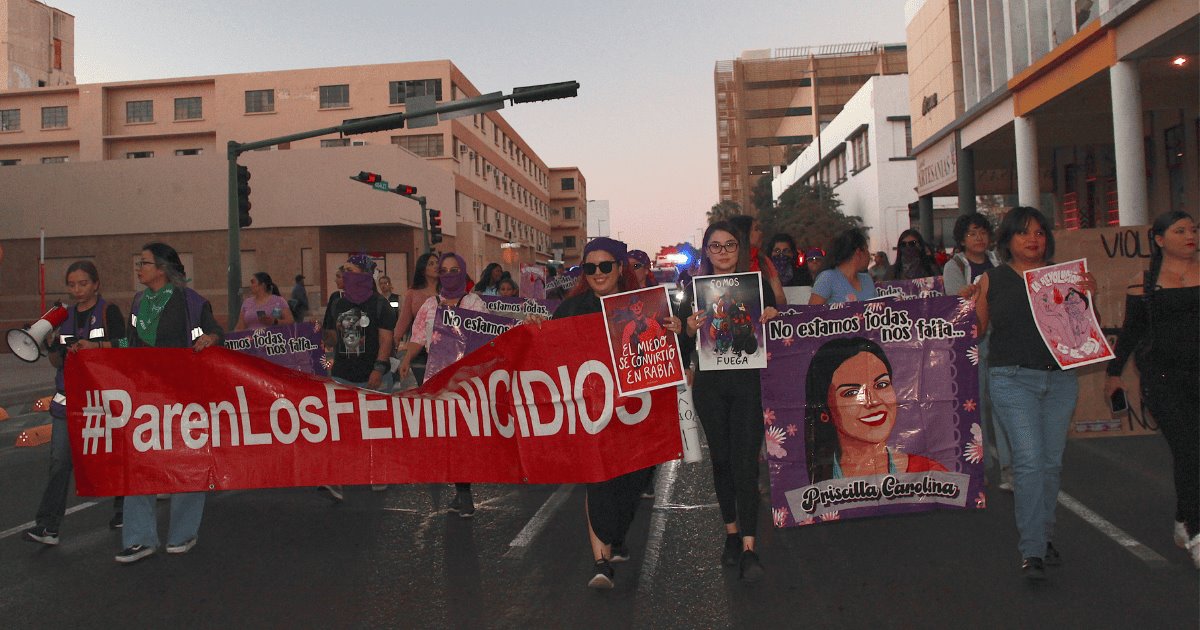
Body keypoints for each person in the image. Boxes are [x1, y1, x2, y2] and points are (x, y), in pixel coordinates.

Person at [527, 237, 677, 589]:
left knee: (631, 483)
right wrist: (537, 332)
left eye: (605, 266)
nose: (597, 273)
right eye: (589, 267)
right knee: (597, 480)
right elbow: (549, 356)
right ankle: (601, 562)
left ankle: (616, 537)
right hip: (591, 415)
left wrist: (675, 331)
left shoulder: (645, 306)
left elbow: (667, 358)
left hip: (635, 415)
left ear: (619, 268)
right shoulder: (571, 308)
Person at [974, 206, 1097, 581]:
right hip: (1012, 379)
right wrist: (969, 303)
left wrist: (1087, 298)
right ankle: (1032, 550)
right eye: (1024, 232)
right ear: (1008, 240)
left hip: (1060, 381)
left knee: (1050, 463)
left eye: (1040, 232)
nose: (1034, 240)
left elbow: (1083, 333)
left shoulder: (1065, 277)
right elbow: (977, 331)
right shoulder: (991, 279)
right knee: (1028, 462)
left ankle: (1043, 537)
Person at [678, 221, 779, 583]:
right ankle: (732, 534)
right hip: (710, 388)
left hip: (749, 385)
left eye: (730, 245)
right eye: (715, 246)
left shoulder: (758, 286)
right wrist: (688, 330)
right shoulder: (691, 291)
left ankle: (750, 547)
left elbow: (780, 333)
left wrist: (773, 317)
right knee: (721, 461)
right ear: (706, 251)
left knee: (745, 464)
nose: (722, 252)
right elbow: (683, 349)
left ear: (740, 250)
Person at [115, 242, 223, 564]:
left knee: (186, 464)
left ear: (161, 268)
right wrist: (97, 348)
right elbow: (130, 341)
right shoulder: (137, 304)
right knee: (139, 465)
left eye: (144, 263)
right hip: (145, 398)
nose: (139, 269)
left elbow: (214, 331)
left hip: (183, 397)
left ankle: (183, 533)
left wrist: (211, 339)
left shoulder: (190, 302)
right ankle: (139, 539)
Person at [1104, 211, 1198, 568]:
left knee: (1195, 453)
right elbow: (1131, 333)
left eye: (1193, 230)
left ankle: (1183, 518)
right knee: (1189, 449)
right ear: (1159, 239)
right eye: (1180, 230)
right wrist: (1113, 373)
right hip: (1162, 380)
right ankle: (1198, 532)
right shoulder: (1144, 282)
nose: (1190, 236)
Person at [23, 261, 126, 547]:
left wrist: (95, 348)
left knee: (113, 457)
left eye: (83, 283)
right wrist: (51, 346)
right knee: (59, 463)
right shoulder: (63, 317)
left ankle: (123, 510)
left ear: (96, 284)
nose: (77, 289)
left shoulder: (109, 312)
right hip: (68, 401)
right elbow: (57, 362)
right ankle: (48, 527)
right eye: (72, 284)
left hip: (102, 400)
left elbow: (125, 346)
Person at [398, 253, 489, 518]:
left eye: (454, 270)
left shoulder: (473, 303)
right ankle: (460, 491)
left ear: (462, 272)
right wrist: (406, 359)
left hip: (463, 380)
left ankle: (464, 493)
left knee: (460, 437)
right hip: (435, 378)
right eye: (444, 270)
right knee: (445, 437)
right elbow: (416, 337)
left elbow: (484, 335)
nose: (448, 274)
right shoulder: (429, 305)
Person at [805, 337, 948, 483]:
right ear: (824, 412)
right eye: (851, 393)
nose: (873, 401)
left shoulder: (930, 473)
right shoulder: (805, 481)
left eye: (881, 385)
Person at [321, 253, 398, 499]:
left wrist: (378, 367)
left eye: (350, 270)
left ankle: (379, 471)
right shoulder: (336, 302)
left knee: (375, 427)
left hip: (372, 375)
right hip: (343, 374)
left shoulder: (379, 304)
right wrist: (322, 336)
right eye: (343, 270)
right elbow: (331, 337)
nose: (345, 274)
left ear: (364, 275)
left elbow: (386, 339)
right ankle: (337, 479)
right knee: (341, 429)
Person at [942, 213, 1010, 489]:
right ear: (961, 239)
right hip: (972, 343)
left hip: (1001, 337)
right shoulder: (954, 266)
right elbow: (953, 301)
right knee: (976, 407)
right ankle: (979, 470)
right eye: (972, 233)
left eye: (982, 232)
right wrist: (971, 293)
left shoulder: (999, 262)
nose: (979, 238)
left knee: (1003, 404)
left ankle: (1010, 468)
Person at [393, 252, 439, 385]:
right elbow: (404, 320)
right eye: (431, 264)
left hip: (443, 348)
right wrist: (395, 341)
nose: (436, 266)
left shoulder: (447, 292)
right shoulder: (413, 294)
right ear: (423, 269)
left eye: (437, 263)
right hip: (419, 349)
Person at [729, 215, 786, 305]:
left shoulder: (763, 260)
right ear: (744, 234)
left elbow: (780, 297)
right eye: (756, 229)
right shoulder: (728, 261)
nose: (761, 233)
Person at [809, 228, 876, 305]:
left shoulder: (867, 279)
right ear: (858, 252)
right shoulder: (827, 278)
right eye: (866, 249)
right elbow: (812, 313)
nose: (869, 255)